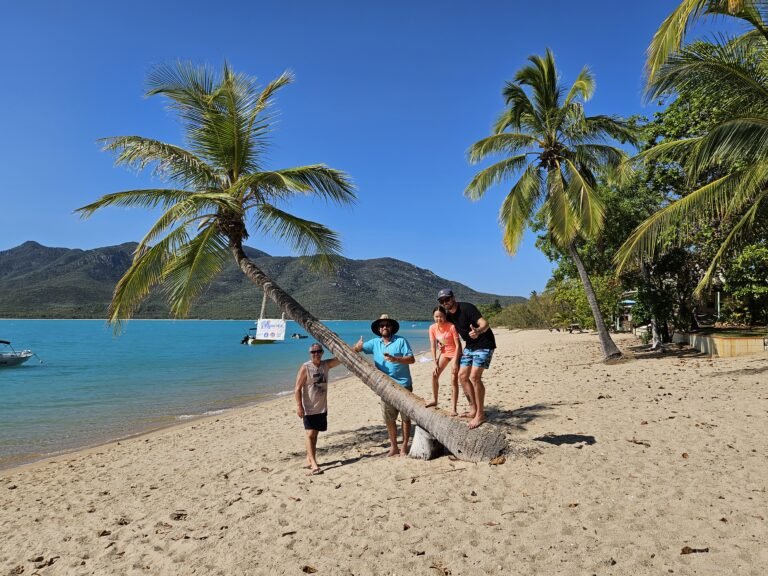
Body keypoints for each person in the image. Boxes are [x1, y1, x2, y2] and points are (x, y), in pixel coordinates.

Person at [353, 314, 415, 456]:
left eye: (387, 325)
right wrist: (357, 347)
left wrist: (396, 359)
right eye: (382, 325)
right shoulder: (375, 343)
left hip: (404, 385)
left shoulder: (401, 341)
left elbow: (411, 359)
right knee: (389, 419)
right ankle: (394, 447)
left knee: (406, 418)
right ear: (379, 329)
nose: (384, 327)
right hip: (385, 387)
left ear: (391, 327)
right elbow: (359, 348)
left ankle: (404, 446)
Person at [437, 288, 496, 429]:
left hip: (484, 344)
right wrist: (442, 344)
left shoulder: (467, 308)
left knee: (474, 377)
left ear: (453, 298)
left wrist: (478, 331)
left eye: (447, 299)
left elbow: (485, 323)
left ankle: (480, 415)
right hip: (470, 346)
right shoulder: (448, 316)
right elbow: (446, 332)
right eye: (442, 301)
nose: (445, 303)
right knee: (462, 376)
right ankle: (473, 409)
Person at [294, 342, 341, 475]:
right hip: (309, 408)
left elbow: (340, 359)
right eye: (313, 352)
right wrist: (299, 406)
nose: (316, 354)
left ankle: (309, 458)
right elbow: (297, 388)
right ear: (310, 354)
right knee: (310, 434)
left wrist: (355, 348)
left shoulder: (325, 365)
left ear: (322, 352)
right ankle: (314, 464)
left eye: (318, 351)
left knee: (314, 435)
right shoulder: (306, 367)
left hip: (321, 408)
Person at [426, 305, 462, 415]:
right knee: (434, 375)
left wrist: (455, 361)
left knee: (453, 379)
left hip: (455, 352)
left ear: (445, 316)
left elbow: (458, 345)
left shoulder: (451, 326)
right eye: (436, 317)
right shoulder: (432, 328)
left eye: (441, 316)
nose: (438, 319)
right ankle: (434, 400)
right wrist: (434, 362)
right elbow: (433, 346)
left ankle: (454, 408)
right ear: (433, 317)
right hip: (445, 353)